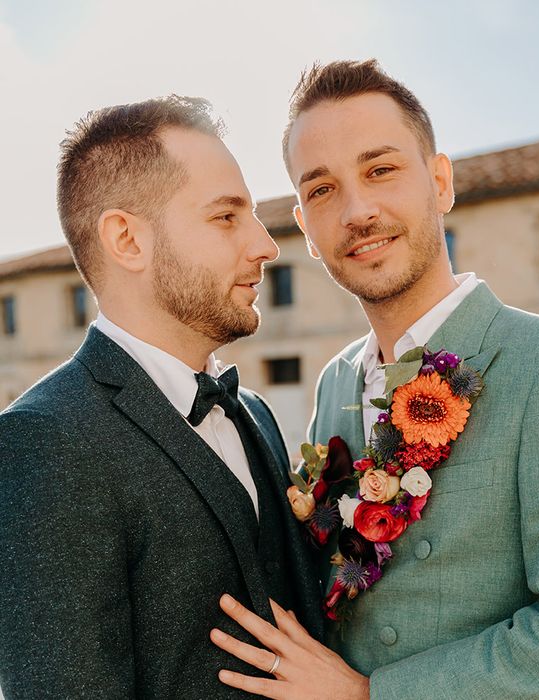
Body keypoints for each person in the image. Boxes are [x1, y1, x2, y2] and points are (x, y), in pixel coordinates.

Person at [211, 60, 539, 699]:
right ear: (304, 227)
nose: (358, 211)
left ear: (440, 182)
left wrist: (366, 695)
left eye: (380, 170)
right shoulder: (335, 383)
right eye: (323, 190)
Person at [0, 96, 323, 698]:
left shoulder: (253, 412)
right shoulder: (45, 440)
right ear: (127, 240)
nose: (265, 245)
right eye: (226, 217)